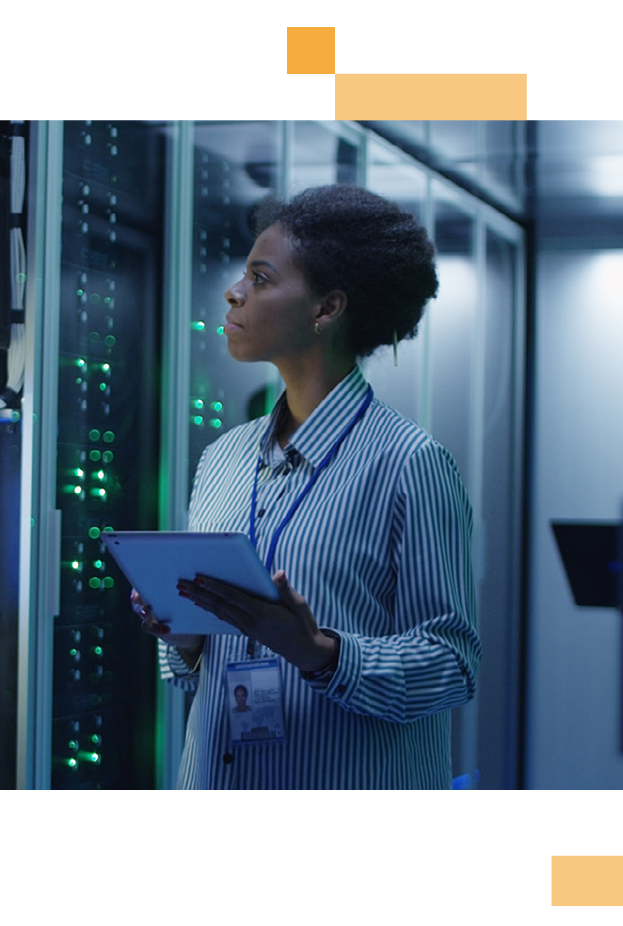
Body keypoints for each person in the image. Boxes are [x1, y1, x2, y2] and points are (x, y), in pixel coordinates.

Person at [133, 184, 480, 789]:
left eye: (261, 279)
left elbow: (452, 664)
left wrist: (322, 653)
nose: (234, 292)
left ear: (326, 309)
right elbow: (194, 666)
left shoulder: (410, 464)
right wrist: (184, 634)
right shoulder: (222, 459)